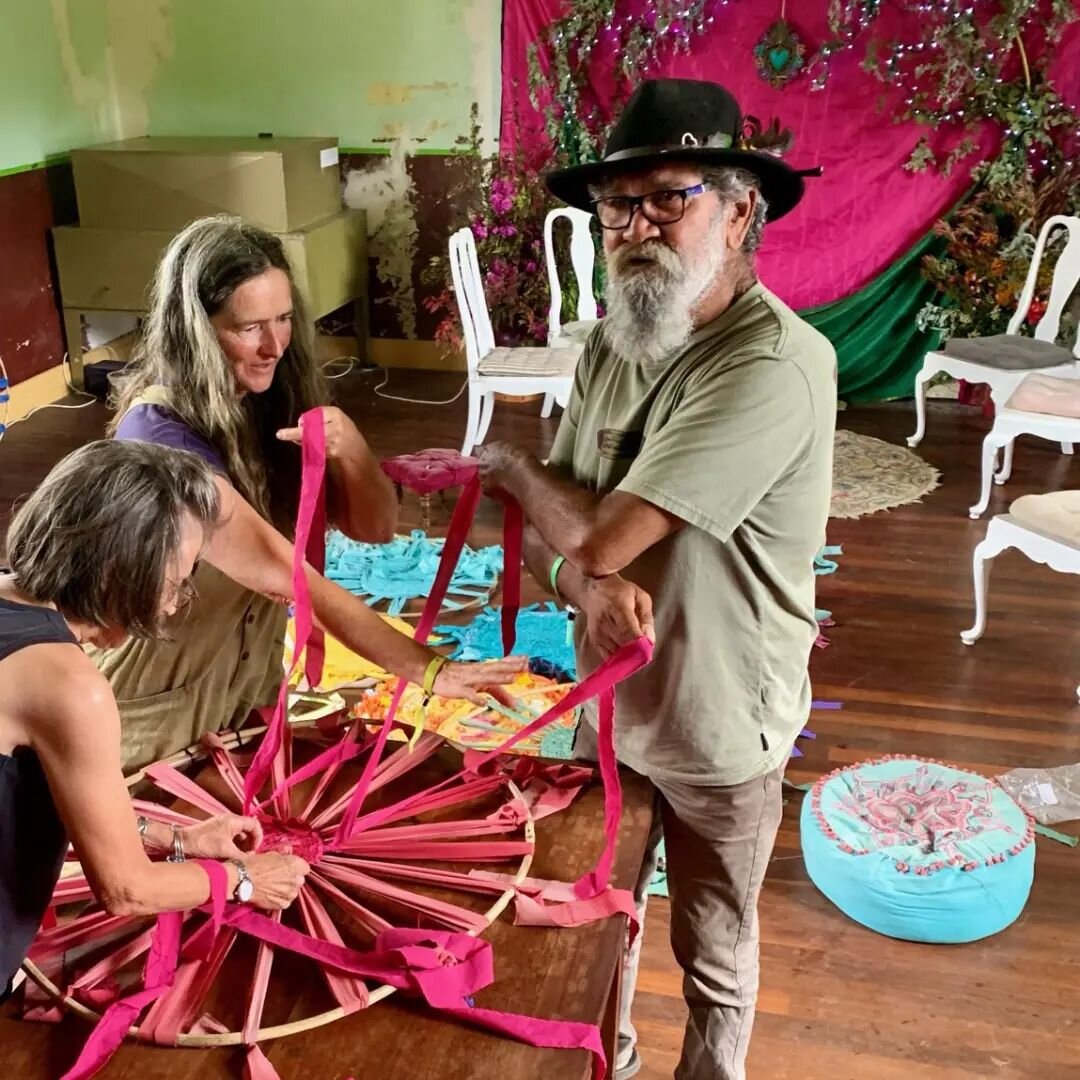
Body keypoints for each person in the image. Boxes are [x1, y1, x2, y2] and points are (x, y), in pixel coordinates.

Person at [476, 79, 836, 1080]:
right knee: (604, 924)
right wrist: (578, 573)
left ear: (740, 208)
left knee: (713, 948)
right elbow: (577, 542)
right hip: (608, 708)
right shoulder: (608, 343)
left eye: (666, 200)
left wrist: (513, 476)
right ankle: (611, 1066)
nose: (636, 228)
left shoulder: (774, 364)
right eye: (616, 207)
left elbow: (595, 530)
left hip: (720, 721)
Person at [100, 215, 523, 770]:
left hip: (244, 694)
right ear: (196, 329)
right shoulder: (157, 433)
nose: (274, 345)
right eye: (248, 327)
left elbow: (372, 530)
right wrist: (430, 670)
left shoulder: (272, 403)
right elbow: (286, 575)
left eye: (284, 319)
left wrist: (352, 452)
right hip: (151, 708)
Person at [0, 440, 311, 999]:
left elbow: (29, 803)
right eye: (176, 578)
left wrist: (179, 840)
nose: (174, 603)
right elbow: (125, 891)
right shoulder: (68, 687)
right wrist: (244, 880)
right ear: (122, 568)